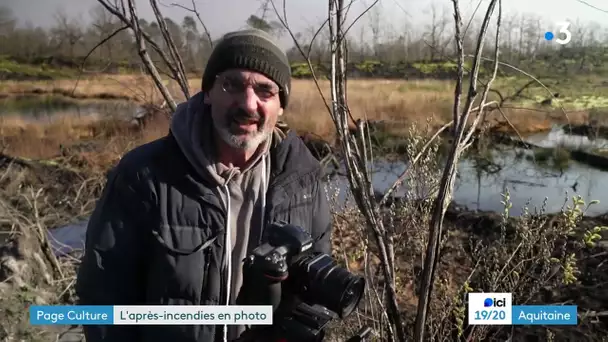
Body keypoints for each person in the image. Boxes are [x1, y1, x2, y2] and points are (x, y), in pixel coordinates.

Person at [75, 28, 332, 342]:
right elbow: (104, 291)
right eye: (232, 84)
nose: (249, 104)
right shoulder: (144, 175)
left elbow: (317, 282)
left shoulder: (302, 177)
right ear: (208, 93)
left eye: (265, 91)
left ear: (281, 107)